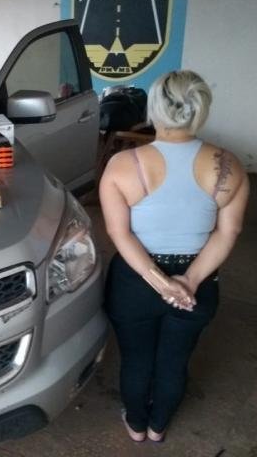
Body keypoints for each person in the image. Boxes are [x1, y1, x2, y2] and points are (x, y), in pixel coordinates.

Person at [99, 70, 249, 442]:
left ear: (153, 108)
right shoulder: (229, 166)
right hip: (197, 282)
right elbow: (228, 232)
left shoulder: (122, 165)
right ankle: (158, 426)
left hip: (135, 281)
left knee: (136, 359)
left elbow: (119, 233)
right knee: (174, 360)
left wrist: (160, 282)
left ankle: (136, 425)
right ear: (202, 110)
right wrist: (188, 282)